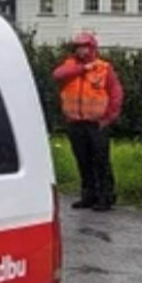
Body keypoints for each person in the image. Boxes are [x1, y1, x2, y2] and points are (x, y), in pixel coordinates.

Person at [52, 32, 123, 211]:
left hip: (97, 123)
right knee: (83, 161)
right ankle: (88, 195)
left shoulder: (104, 68)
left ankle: (106, 197)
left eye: (83, 46)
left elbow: (116, 93)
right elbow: (57, 75)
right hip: (75, 122)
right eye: (77, 47)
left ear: (92, 48)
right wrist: (82, 69)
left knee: (101, 161)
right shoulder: (70, 66)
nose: (80, 50)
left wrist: (109, 117)